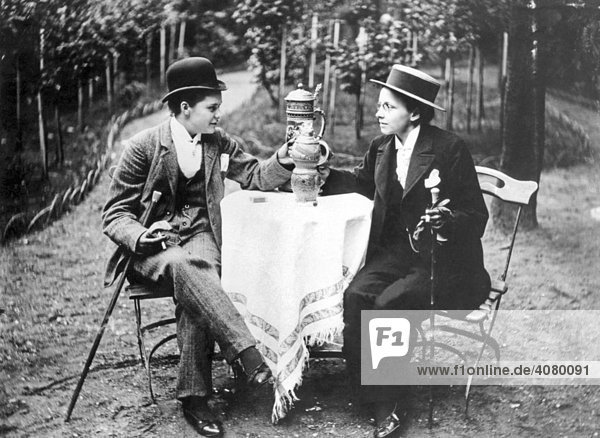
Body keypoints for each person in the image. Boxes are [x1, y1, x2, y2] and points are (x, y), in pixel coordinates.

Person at [102, 57, 293, 437]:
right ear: (185, 108)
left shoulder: (216, 141)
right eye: (212, 108)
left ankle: (194, 397)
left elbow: (253, 175)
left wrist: (284, 159)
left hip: (201, 235)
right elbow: (114, 214)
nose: (219, 115)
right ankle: (246, 353)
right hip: (154, 244)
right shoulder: (143, 147)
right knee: (189, 270)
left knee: (198, 282)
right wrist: (140, 235)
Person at [319, 64, 490, 438]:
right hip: (397, 252)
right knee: (358, 295)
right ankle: (366, 391)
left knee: (389, 305)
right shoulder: (381, 148)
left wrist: (446, 219)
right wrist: (320, 172)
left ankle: (390, 404)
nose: (378, 113)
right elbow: (363, 184)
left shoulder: (448, 149)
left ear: (414, 112)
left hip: (443, 260)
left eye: (387, 107)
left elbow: (476, 213)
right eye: (379, 105)